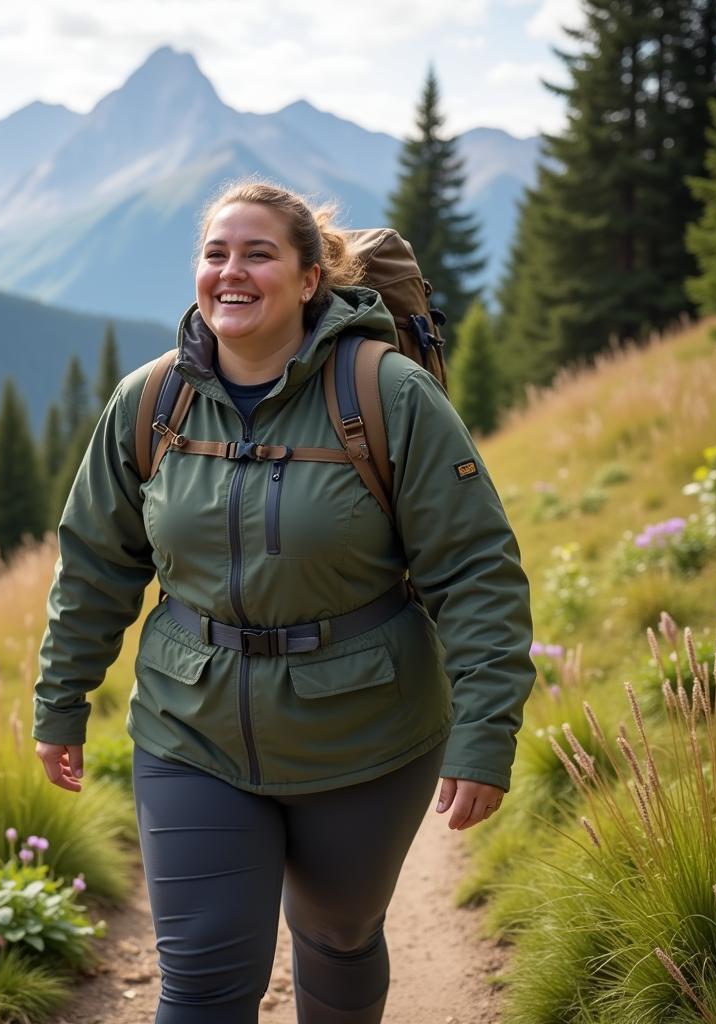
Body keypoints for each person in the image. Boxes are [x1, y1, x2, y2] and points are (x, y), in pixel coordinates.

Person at [33, 180, 535, 1023]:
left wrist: (486, 732)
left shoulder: (388, 394)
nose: (231, 271)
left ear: (309, 280)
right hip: (190, 725)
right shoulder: (152, 402)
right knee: (200, 979)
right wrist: (60, 698)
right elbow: (93, 563)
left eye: (258, 253)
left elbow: (475, 569)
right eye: (215, 252)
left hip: (366, 731)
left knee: (338, 935)